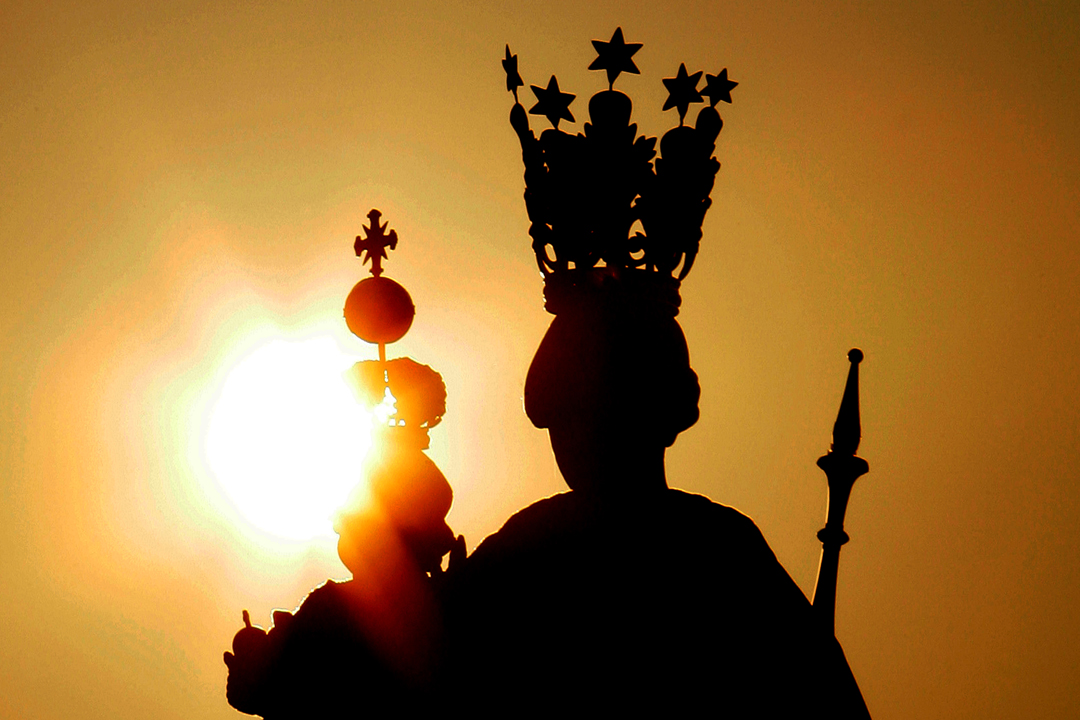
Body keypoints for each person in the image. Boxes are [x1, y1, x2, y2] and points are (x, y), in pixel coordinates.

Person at [443, 275, 871, 716]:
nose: (575, 439)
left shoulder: (531, 544)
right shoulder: (719, 543)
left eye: (591, 415)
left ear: (655, 414)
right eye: (565, 420)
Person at [225, 361, 464, 718]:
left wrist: (253, 660)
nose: (340, 530)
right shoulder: (335, 609)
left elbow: (262, 690)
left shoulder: (332, 611)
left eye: (351, 524)